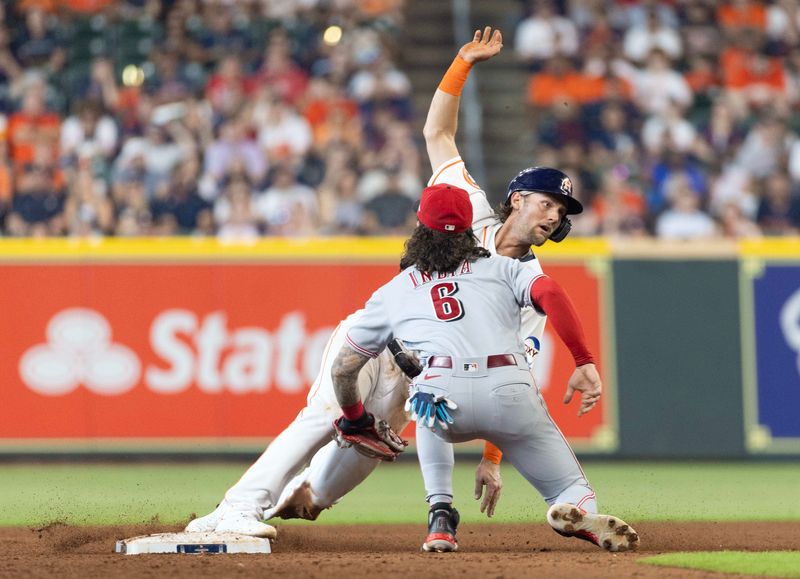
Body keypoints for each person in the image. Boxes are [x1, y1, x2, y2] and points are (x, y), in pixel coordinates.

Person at [184, 25, 602, 539]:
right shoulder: (465, 206)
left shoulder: (529, 285)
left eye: (561, 211)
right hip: (381, 339)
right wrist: (461, 64)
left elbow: (517, 372)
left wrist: (492, 458)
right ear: (518, 199)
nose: (554, 216)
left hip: (422, 378)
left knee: (313, 500)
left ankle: (280, 501)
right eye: (547, 202)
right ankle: (237, 508)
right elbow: (437, 135)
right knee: (326, 410)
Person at [330, 183, 639, 553]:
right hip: (509, 391)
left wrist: (353, 417)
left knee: (425, 398)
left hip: (444, 398)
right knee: (569, 486)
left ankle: (440, 514)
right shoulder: (504, 268)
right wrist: (584, 360)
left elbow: (343, 369)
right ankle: (576, 510)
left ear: (418, 227)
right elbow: (551, 294)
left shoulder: (395, 289)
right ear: (469, 229)